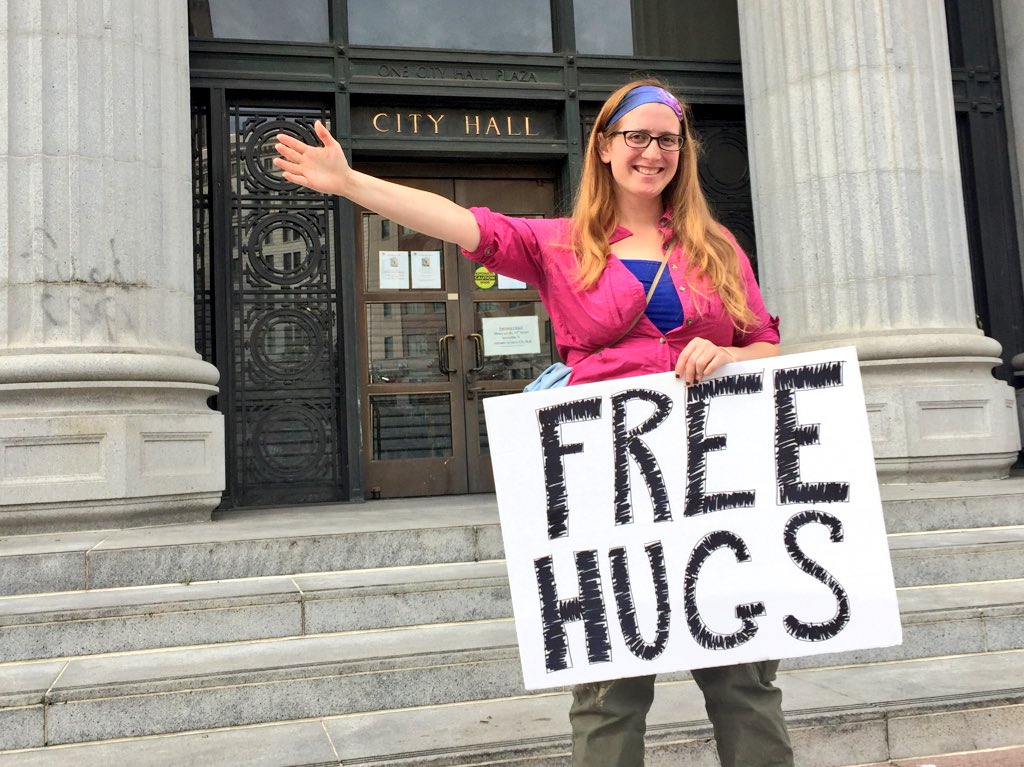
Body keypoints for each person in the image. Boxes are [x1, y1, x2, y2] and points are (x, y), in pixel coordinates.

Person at [275, 78, 794, 767]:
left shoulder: (717, 247)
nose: (653, 151)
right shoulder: (559, 243)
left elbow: (765, 344)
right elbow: (458, 221)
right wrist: (349, 183)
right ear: (605, 147)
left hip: (713, 480)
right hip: (608, 479)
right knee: (610, 684)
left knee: (745, 677)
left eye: (667, 139)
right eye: (636, 136)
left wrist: (727, 351)